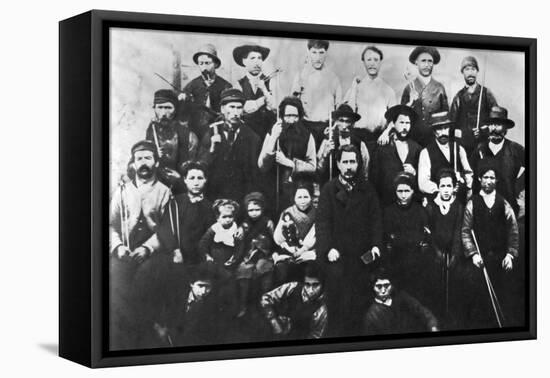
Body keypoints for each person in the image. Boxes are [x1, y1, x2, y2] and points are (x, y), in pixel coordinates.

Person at [108, 140, 171, 350]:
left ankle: (147, 333)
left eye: (148, 158)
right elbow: (110, 224)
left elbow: (167, 229)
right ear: (133, 164)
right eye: (139, 159)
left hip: (152, 251)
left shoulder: (164, 191)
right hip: (124, 249)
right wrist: (118, 247)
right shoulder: (122, 191)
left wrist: (148, 248)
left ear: (156, 162)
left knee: (144, 279)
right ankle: (123, 338)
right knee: (114, 278)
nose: (143, 163)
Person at [316, 144, 383, 336]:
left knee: (361, 300)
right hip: (337, 255)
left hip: (361, 255)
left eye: (352, 161)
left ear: (358, 164)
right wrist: (328, 248)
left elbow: (376, 220)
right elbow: (322, 223)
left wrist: (376, 246)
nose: (349, 166)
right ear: (338, 164)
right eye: (345, 162)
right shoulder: (329, 189)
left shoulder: (368, 189)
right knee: (338, 300)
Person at [461, 161, 521, 328]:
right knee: (479, 301)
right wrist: (473, 254)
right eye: (485, 177)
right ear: (479, 179)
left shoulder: (503, 203)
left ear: (497, 181)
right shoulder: (473, 202)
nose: (488, 180)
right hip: (479, 260)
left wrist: (510, 254)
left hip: (500, 260)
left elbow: (513, 230)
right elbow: (465, 231)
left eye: (492, 177)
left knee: (503, 297)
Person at [198, 88, 261, 202]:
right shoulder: (211, 132)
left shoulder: (252, 137)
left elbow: (254, 174)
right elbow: (201, 166)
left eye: (239, 108)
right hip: (215, 195)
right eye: (231, 107)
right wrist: (212, 148)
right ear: (222, 109)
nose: (235, 112)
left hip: (241, 196)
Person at [258, 96, 317, 213]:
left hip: (298, 189)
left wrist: (289, 163)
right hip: (274, 188)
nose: (291, 120)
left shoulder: (307, 136)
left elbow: (313, 166)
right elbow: (262, 165)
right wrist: (274, 138)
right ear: (281, 117)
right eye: (288, 116)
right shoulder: (273, 133)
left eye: (295, 116)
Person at [383, 172, 431, 308]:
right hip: (396, 265)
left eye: (406, 191)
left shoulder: (420, 211)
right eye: (400, 191)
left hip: (416, 266)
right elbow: (388, 238)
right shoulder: (389, 212)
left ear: (412, 191)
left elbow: (425, 238)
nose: (403, 195)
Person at [424, 168, 465, 325]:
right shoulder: (431, 206)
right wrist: (437, 252)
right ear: (438, 187)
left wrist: (455, 254)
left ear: (454, 187)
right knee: (436, 285)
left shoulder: (458, 206)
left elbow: (457, 232)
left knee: (454, 285)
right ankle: (436, 319)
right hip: (436, 254)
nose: (446, 190)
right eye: (443, 186)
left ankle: (452, 319)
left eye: (449, 186)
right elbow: (429, 232)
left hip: (452, 254)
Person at [156, 160, 214, 266]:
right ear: (185, 180)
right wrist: (175, 250)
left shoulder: (210, 207)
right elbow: (165, 228)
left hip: (199, 258)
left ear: (205, 180)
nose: (196, 183)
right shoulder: (175, 203)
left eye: (200, 178)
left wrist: (207, 255)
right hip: (177, 256)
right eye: (192, 178)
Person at [470, 106, 525, 215]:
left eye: (498, 125)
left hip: (508, 208)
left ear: (506, 128)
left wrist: (517, 187)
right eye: (491, 124)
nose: (494, 129)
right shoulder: (480, 149)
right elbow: (469, 174)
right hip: (483, 209)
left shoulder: (516, 149)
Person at [154, 262, 224, 347]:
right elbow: (159, 315)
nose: (203, 291)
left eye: (208, 287)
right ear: (191, 283)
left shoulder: (212, 307)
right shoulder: (176, 296)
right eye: (200, 286)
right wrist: (160, 328)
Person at [291, 40, 342, 149]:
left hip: (326, 127)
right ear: (308, 52)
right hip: (305, 126)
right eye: (314, 52)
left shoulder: (333, 78)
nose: (318, 57)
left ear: (326, 53)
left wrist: (333, 127)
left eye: (321, 52)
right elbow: (292, 104)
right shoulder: (301, 76)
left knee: (326, 161)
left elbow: (339, 107)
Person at [145, 89, 199, 193]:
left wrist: (179, 178)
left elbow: (193, 168)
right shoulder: (152, 131)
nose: (164, 113)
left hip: (180, 188)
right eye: (160, 107)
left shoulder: (189, 136)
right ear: (154, 109)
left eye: (168, 108)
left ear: (176, 109)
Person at [343, 45, 397, 145]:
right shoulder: (356, 88)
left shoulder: (388, 90)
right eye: (369, 59)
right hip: (358, 137)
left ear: (380, 62)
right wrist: (354, 88)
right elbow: (347, 114)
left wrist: (386, 133)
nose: (372, 63)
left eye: (376, 60)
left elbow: (395, 119)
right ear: (363, 62)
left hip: (379, 138)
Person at [260, 262, 328, 340]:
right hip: (274, 333)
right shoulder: (292, 287)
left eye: (315, 285)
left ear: (322, 285)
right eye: (307, 284)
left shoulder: (321, 310)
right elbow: (265, 298)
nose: (310, 290)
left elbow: (316, 335)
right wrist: (273, 320)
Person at [371, 104, 422, 206]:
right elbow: (374, 178)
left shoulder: (416, 148)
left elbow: (422, 177)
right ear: (393, 124)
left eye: (408, 123)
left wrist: (415, 172)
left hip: (409, 203)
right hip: (387, 202)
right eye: (401, 122)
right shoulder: (383, 147)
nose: (405, 127)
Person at [362, 268, 439, 335]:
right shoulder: (372, 315)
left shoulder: (402, 298)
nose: (383, 290)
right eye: (379, 286)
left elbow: (421, 311)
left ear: (392, 286)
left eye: (386, 285)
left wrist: (432, 325)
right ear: (373, 287)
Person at [179, 44, 233, 140]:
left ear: (215, 64)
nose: (204, 67)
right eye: (201, 63)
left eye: (208, 63)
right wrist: (183, 100)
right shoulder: (191, 85)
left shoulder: (225, 85)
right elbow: (183, 114)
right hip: (196, 131)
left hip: (218, 129)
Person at [235, 192, 275, 317]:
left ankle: (265, 303)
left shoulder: (268, 222)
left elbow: (276, 240)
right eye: (250, 210)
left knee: (263, 269)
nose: (254, 213)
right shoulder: (245, 224)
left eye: (257, 209)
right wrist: (240, 230)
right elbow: (240, 240)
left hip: (265, 254)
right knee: (243, 270)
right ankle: (243, 304)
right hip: (249, 255)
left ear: (262, 209)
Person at [417, 111, 473, 201]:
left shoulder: (458, 148)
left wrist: (463, 181)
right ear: (434, 131)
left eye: (446, 128)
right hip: (437, 202)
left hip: (458, 201)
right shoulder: (426, 153)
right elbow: (423, 183)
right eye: (439, 129)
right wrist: (443, 190)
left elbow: (468, 173)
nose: (443, 132)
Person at [449, 56, 498, 156]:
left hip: (484, 144)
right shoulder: (458, 97)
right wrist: (460, 134)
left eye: (473, 69)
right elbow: (452, 124)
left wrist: (483, 131)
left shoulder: (486, 93)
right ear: (462, 72)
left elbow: (497, 120)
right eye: (467, 69)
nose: (470, 73)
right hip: (464, 147)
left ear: (477, 72)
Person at [401, 46, 449, 147]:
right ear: (416, 62)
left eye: (430, 61)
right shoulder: (409, 88)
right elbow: (401, 116)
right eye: (423, 61)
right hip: (413, 140)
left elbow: (446, 118)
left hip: (434, 141)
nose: (427, 65)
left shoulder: (439, 88)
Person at [273, 179, 317, 284]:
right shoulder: (287, 213)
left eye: (306, 197)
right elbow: (279, 237)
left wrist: (304, 250)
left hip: (311, 250)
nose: (302, 200)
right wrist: (292, 250)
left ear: (311, 198)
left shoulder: (318, 213)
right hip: (290, 250)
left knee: (310, 268)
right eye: (299, 197)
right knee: (283, 269)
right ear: (294, 199)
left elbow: (317, 235)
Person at [317, 104, 370, 185]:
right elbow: (319, 170)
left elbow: (364, 172)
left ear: (352, 123)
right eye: (341, 120)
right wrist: (325, 154)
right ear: (336, 122)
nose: (344, 126)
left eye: (348, 121)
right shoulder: (327, 142)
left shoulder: (360, 145)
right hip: (332, 189)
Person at [233, 43, 277, 141]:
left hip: (268, 133)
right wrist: (264, 99)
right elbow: (244, 108)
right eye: (252, 58)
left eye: (259, 58)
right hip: (247, 134)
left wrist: (264, 90)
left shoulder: (271, 81)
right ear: (244, 61)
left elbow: (274, 107)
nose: (257, 63)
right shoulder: (239, 84)